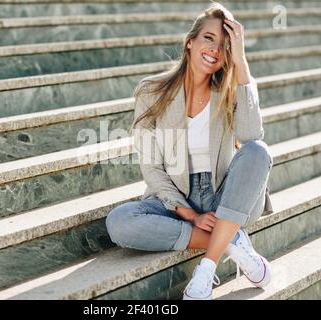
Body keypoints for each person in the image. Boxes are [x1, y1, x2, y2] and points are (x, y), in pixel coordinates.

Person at [105, 1, 274, 300]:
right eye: (209, 38)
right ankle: (231, 239)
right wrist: (188, 214)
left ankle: (207, 269)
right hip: (175, 197)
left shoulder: (230, 90)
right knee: (119, 222)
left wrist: (242, 62)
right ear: (190, 42)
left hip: (227, 197)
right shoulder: (151, 91)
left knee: (258, 151)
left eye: (225, 45)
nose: (215, 49)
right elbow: (152, 167)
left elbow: (250, 135)